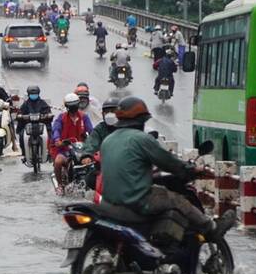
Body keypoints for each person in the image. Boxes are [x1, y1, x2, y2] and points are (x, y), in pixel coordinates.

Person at [100, 96, 236, 240]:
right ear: (141, 120)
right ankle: (211, 228)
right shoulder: (141, 139)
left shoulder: (107, 141)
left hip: (108, 203)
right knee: (177, 200)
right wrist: (190, 169)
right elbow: (167, 161)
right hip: (136, 200)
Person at [51, 93, 93, 192]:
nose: (73, 108)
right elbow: (56, 129)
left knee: (93, 162)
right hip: (65, 149)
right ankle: (60, 185)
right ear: (67, 106)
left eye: (75, 105)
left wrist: (92, 140)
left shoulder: (84, 117)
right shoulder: (61, 117)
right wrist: (58, 140)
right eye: (71, 105)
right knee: (58, 162)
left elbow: (91, 131)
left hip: (82, 149)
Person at [16, 85, 52, 158]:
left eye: (35, 94)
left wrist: (47, 116)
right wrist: (20, 116)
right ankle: (24, 153)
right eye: (32, 94)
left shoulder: (43, 103)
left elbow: (48, 112)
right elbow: (20, 113)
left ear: (38, 94)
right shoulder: (25, 104)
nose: (33, 95)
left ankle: (50, 153)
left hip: (41, 125)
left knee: (50, 135)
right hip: (28, 126)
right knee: (22, 135)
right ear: (29, 94)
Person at [80, 97, 119, 162]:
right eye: (107, 112)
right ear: (102, 114)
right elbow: (91, 142)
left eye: (113, 111)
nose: (110, 114)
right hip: (104, 163)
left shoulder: (126, 127)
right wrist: (87, 155)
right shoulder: (100, 129)